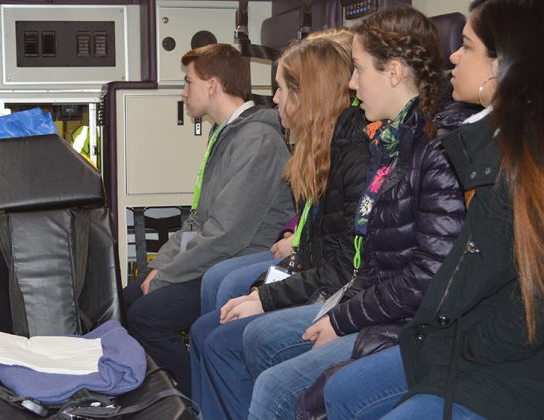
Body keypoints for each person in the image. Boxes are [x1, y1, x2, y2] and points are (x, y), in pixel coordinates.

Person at [196, 6, 469, 419]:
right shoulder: (388, 141)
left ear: (393, 72)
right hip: (366, 299)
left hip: (403, 320)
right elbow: (366, 256)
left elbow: (421, 273)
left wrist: (341, 318)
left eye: (359, 70)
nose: (353, 84)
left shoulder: (424, 147)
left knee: (272, 378)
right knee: (230, 310)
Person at [324, 1, 544, 418]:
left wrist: (444, 343)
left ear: (501, 65)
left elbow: (521, 312)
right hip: (457, 340)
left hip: (500, 368)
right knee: (342, 393)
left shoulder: (520, 163)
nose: (453, 57)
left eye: (466, 46)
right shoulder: (483, 143)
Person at [189, 35, 370, 420]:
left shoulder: (353, 157)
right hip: (318, 276)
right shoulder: (321, 151)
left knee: (230, 340)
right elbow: (310, 253)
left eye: (282, 88)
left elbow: (342, 267)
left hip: (340, 294)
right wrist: (261, 291)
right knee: (207, 330)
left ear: (309, 96)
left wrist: (265, 299)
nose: (274, 99)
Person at [122, 43, 294, 396]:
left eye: (188, 82)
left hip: (239, 264)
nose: (184, 92)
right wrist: (161, 265)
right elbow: (198, 221)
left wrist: (165, 276)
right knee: (125, 300)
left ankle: (194, 397)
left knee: (146, 316)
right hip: (219, 256)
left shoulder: (258, 140)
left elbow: (226, 234)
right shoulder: (226, 134)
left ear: (212, 85)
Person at [199, 28, 356, 315]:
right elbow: (311, 216)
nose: (274, 99)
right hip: (304, 255)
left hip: (324, 274)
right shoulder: (317, 146)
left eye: (281, 89)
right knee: (219, 283)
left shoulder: (351, 149)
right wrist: (293, 234)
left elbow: (340, 253)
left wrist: (295, 247)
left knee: (229, 291)